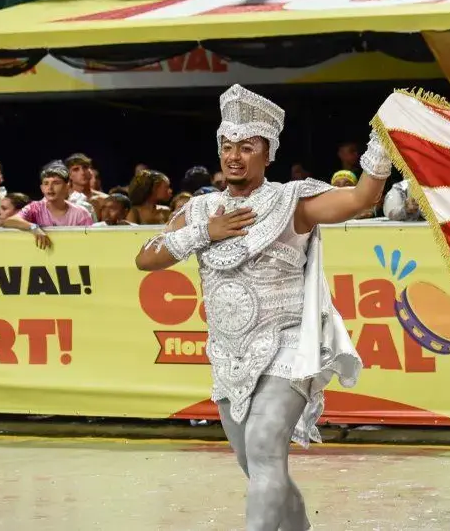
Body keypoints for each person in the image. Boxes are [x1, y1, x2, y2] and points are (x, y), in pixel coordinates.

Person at [133, 84, 393, 531]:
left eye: (247, 147)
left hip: (286, 345)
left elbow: (359, 199)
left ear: (267, 153)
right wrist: (204, 233)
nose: (235, 156)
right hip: (229, 354)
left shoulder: (292, 200)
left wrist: (383, 143)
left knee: (265, 451)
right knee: (259, 466)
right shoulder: (200, 210)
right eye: (228, 146)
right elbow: (146, 258)